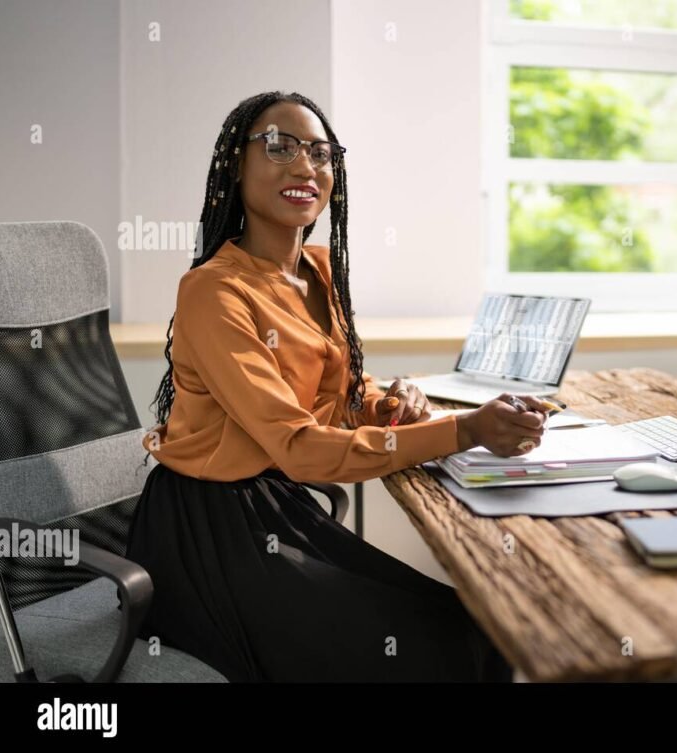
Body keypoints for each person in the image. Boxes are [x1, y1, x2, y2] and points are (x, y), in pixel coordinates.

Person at [126, 91, 550, 682]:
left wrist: (388, 405)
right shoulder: (214, 292)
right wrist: (465, 430)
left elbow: (341, 396)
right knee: (449, 644)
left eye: (321, 153)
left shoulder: (321, 269)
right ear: (236, 165)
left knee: (484, 622)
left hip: (279, 507)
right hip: (209, 534)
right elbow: (298, 446)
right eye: (279, 147)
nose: (305, 166)